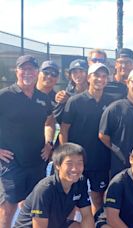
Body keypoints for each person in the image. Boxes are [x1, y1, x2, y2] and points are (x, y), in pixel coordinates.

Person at [0, 55, 55, 228]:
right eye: (23, 68)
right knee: (8, 207)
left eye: (31, 69)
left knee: (34, 206)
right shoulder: (5, 96)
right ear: (16, 71)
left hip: (37, 161)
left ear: (37, 72)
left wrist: (48, 143)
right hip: (11, 162)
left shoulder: (43, 98)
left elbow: (50, 121)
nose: (27, 72)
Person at [59, 62, 113, 214]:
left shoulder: (111, 102)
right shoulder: (75, 101)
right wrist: (66, 154)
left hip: (100, 160)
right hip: (76, 160)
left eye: (104, 76)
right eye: (96, 75)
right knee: (71, 198)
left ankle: (96, 223)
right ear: (89, 78)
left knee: (98, 197)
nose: (100, 79)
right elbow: (64, 129)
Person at [14, 143, 94, 227]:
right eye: (69, 163)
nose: (75, 169)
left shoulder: (80, 181)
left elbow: (87, 215)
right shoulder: (45, 189)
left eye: (79, 163)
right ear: (57, 165)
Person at [54, 59, 89, 123]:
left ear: (87, 73)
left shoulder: (95, 93)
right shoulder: (66, 95)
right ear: (70, 75)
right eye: (75, 72)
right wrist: (63, 102)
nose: (78, 75)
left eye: (81, 71)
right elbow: (57, 118)